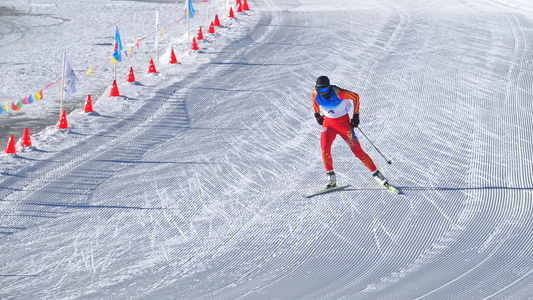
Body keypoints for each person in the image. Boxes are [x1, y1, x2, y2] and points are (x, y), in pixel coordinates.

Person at [312, 75, 388, 188]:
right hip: (328, 124)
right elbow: (314, 100)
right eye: (319, 90)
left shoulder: (338, 92)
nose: (322, 93)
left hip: (344, 125)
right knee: (324, 147)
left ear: (329, 87)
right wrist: (317, 114)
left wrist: (356, 116)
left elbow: (355, 97)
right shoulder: (315, 93)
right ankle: (331, 178)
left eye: (324, 89)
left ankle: (376, 174)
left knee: (357, 150)